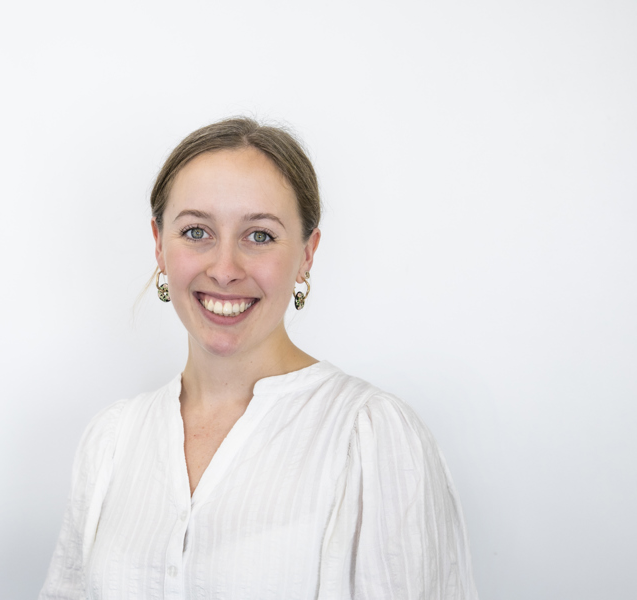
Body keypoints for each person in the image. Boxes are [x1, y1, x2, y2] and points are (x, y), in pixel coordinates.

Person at [39, 117, 478, 599]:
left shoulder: (369, 437)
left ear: (307, 253)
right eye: (196, 231)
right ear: (159, 244)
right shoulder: (112, 442)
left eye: (260, 236)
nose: (224, 269)